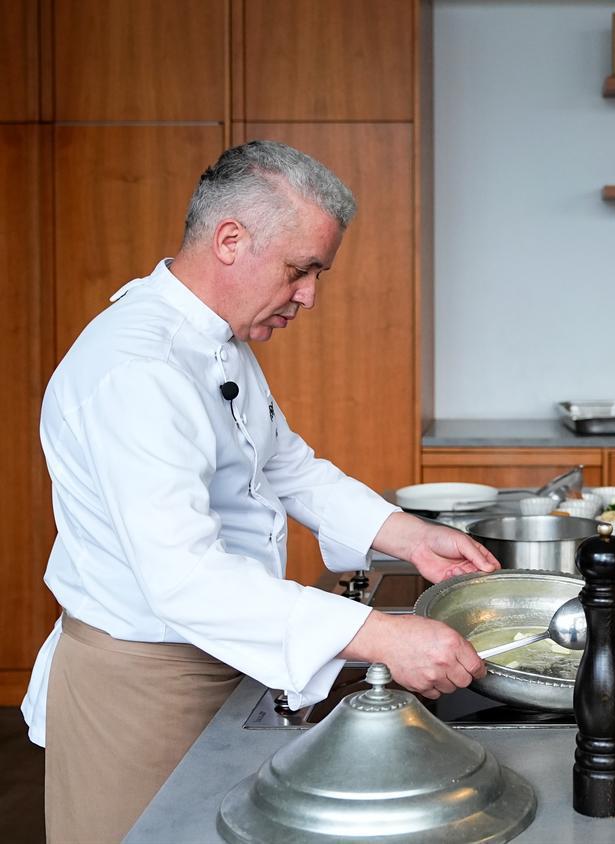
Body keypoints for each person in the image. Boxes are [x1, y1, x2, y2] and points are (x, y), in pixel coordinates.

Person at [20, 140, 501, 842]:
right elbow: (184, 578)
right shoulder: (134, 370)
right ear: (230, 240)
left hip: (229, 658)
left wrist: (408, 534)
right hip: (143, 689)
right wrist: (379, 635)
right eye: (300, 270)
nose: (310, 295)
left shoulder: (219, 345)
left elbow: (283, 466)